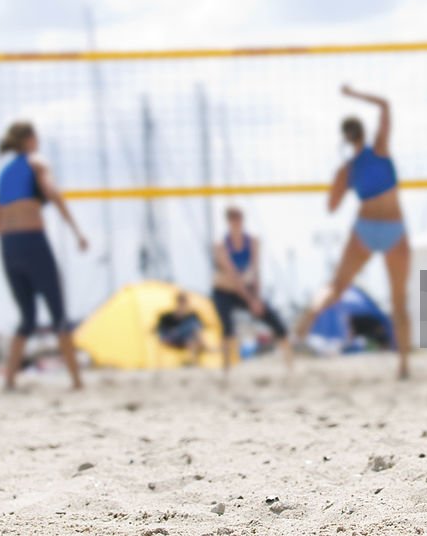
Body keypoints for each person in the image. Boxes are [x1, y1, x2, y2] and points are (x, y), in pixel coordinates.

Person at [296, 85, 411, 379]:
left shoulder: (347, 169)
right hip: (394, 228)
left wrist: (342, 180)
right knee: (398, 300)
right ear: (363, 133)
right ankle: (403, 366)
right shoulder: (380, 149)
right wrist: (354, 94)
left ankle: (308, 318)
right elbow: (385, 103)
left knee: (337, 286)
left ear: (346, 140)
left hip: (365, 227)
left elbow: (332, 207)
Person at [0, 121, 87, 391]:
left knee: (27, 318)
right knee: (59, 314)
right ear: (30, 139)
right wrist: (77, 231)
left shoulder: (4, 173)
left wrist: (14, 237)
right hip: (33, 241)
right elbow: (53, 194)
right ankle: (77, 381)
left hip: (8, 247)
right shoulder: (37, 161)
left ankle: (9, 380)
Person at [211, 206, 291, 373]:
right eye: (233, 219)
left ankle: (289, 365)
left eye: (238, 218)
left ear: (242, 220)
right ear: (228, 222)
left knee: (273, 319)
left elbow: (256, 270)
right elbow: (233, 276)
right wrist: (251, 301)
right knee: (226, 327)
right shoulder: (221, 246)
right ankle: (226, 369)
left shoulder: (253, 241)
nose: (236, 222)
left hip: (245, 289)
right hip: (223, 291)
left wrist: (257, 298)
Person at [156, 293, 206, 365]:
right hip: (170, 337)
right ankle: (205, 345)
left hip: (183, 339)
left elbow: (201, 327)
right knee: (192, 324)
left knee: (191, 338)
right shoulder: (167, 316)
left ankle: (192, 361)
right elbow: (160, 330)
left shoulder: (191, 315)